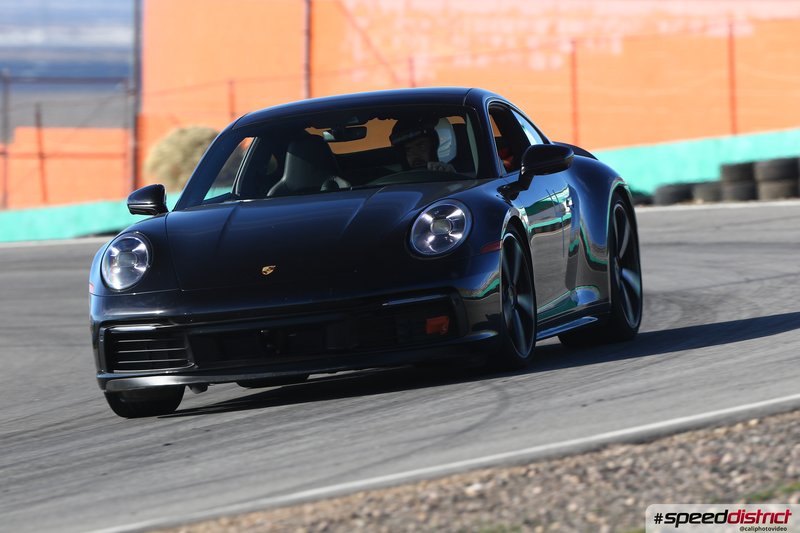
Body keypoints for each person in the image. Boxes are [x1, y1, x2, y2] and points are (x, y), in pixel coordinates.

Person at [389, 118, 456, 172]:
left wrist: (450, 176)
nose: (414, 154)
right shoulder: (395, 182)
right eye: (408, 149)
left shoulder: (447, 173)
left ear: (434, 147)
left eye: (421, 146)